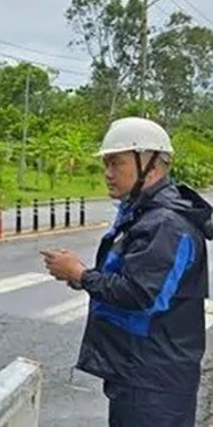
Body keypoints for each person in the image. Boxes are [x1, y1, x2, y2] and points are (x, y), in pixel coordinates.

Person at [42, 117, 212, 427]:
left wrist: (81, 275)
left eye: (116, 163)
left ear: (152, 166)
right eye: (105, 164)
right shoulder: (144, 214)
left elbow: (142, 295)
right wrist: (83, 278)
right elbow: (133, 274)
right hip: (138, 373)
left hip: (154, 383)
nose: (108, 174)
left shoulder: (166, 224)